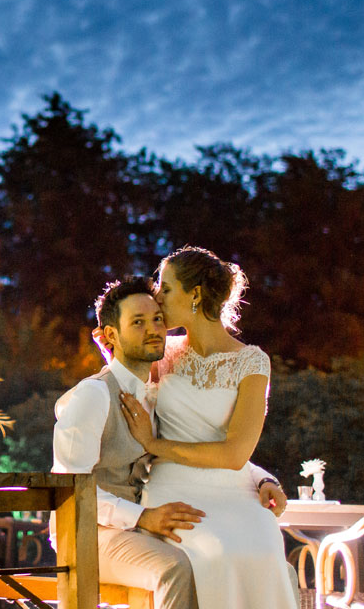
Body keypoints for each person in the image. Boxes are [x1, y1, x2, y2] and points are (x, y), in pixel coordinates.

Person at [53, 275, 287, 609]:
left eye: (157, 319)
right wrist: (141, 517)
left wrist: (261, 478)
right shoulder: (93, 395)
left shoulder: (151, 396)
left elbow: (199, 444)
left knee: (220, 561)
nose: (153, 329)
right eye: (138, 322)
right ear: (110, 336)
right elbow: (70, 487)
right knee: (177, 567)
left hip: (134, 528)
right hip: (85, 533)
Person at [119, 247, 297, 609]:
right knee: (216, 551)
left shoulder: (251, 362)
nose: (156, 297)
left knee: (264, 547)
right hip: (174, 489)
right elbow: (122, 387)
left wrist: (155, 444)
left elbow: (234, 454)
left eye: (165, 288)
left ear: (195, 294)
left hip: (235, 491)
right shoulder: (160, 352)